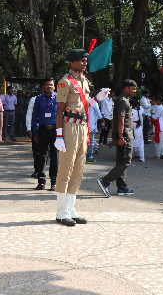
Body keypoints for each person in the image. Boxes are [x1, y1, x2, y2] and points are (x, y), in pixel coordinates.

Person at [54, 49, 110, 226]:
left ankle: (71, 208)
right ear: (72, 63)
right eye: (81, 61)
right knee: (66, 169)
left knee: (78, 169)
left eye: (85, 61)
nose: (85, 63)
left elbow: (85, 105)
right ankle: (61, 211)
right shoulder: (65, 82)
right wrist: (59, 135)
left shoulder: (84, 81)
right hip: (69, 126)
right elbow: (60, 110)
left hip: (83, 126)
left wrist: (98, 98)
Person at [97, 80, 138, 198]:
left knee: (121, 161)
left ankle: (122, 187)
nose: (134, 91)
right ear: (126, 88)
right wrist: (120, 137)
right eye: (133, 88)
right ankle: (105, 181)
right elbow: (120, 120)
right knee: (126, 161)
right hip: (124, 136)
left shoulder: (122, 100)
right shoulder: (122, 101)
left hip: (123, 135)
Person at [31, 78, 59, 191]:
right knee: (41, 155)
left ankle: (54, 182)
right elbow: (34, 117)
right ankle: (41, 181)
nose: (49, 87)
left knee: (54, 157)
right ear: (44, 86)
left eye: (51, 85)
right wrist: (35, 133)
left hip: (55, 131)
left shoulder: (59, 98)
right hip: (42, 130)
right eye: (47, 85)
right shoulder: (39, 99)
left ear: (54, 86)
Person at [26, 84, 43, 176]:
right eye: (43, 87)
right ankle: (37, 170)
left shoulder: (55, 98)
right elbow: (29, 114)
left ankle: (45, 171)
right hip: (36, 128)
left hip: (49, 128)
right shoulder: (34, 99)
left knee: (46, 151)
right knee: (36, 150)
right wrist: (29, 128)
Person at [86, 98, 102, 163]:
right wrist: (101, 118)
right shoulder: (93, 101)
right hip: (90, 125)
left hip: (80, 124)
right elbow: (97, 112)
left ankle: (80, 158)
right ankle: (89, 158)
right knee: (90, 141)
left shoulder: (79, 99)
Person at [131, 99, 145, 163]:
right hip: (138, 127)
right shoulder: (140, 109)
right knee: (140, 143)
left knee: (131, 142)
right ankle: (142, 157)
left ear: (132, 104)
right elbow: (143, 118)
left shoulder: (130, 111)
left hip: (132, 126)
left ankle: (128, 157)